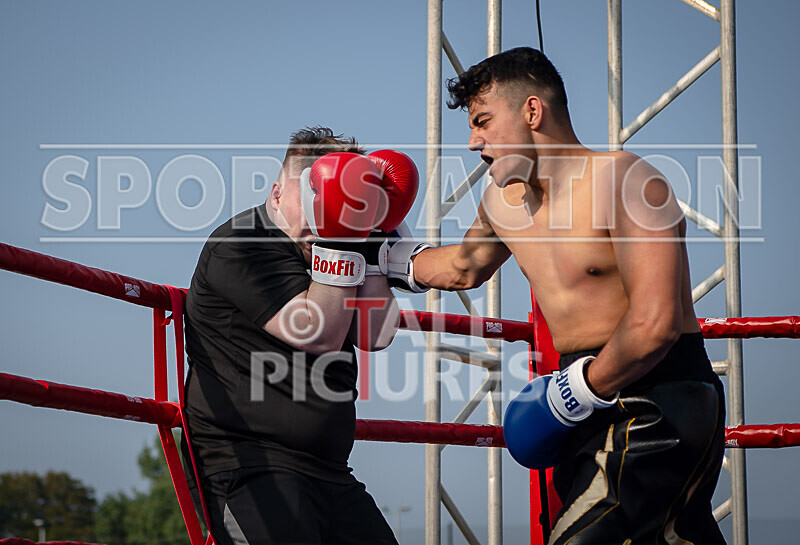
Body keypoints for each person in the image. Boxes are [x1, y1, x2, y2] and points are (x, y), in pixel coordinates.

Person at [411, 48, 727, 544]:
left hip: (659, 394)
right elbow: (462, 266)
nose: (473, 142)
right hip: (585, 397)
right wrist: (378, 255)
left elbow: (656, 324)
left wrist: (571, 393)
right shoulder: (502, 200)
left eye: (483, 122)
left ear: (532, 112)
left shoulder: (625, 180)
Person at [181, 127, 421, 545]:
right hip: (251, 466)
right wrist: (341, 240)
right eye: (311, 196)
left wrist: (373, 237)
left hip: (328, 470)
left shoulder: (334, 240)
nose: (317, 212)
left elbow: (376, 333)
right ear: (277, 193)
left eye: (328, 198)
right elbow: (318, 332)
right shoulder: (241, 243)